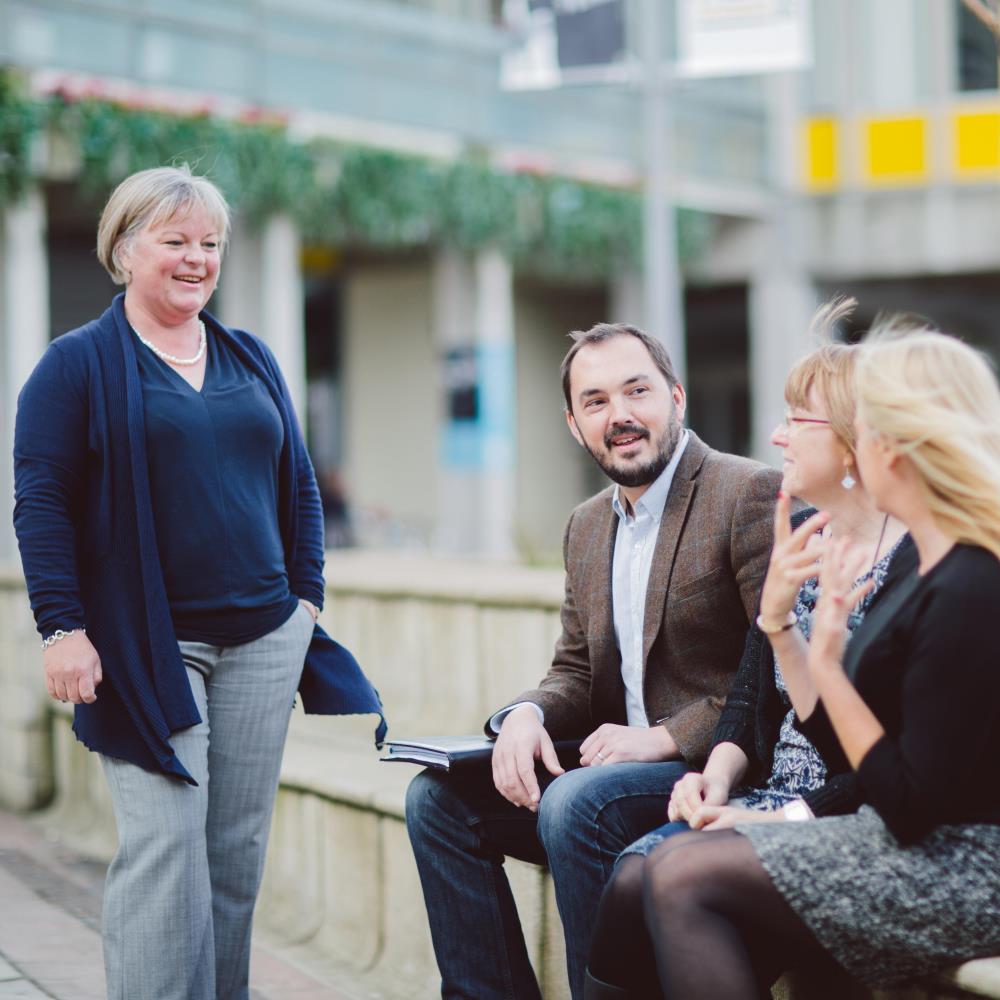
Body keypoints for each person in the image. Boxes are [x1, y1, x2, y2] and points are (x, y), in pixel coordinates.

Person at [12, 165, 384, 1000]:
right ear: (124, 249)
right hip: (146, 645)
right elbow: (41, 502)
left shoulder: (250, 356)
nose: (196, 258)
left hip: (263, 638)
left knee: (233, 854)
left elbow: (298, 484)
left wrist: (305, 601)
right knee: (166, 845)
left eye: (209, 243)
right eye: (175, 240)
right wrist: (62, 627)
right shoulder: (75, 366)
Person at [405, 322, 781, 1000]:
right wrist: (524, 715)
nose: (620, 416)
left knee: (574, 802)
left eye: (637, 392)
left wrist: (666, 737)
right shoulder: (586, 525)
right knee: (438, 799)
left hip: (714, 770)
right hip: (614, 771)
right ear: (575, 425)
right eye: (596, 401)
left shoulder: (746, 494)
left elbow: (776, 671)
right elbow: (576, 669)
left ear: (676, 397)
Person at [635, 325, 1000, 998]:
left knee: (681, 874)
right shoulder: (934, 568)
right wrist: (796, 639)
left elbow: (907, 806)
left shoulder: (972, 583)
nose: (857, 446)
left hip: (971, 866)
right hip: (913, 840)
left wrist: (828, 670)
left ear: (900, 447)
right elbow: (851, 758)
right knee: (667, 866)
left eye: (866, 430)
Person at [583, 309, 916, 998]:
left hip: (841, 813)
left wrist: (770, 819)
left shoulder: (916, 563)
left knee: (658, 878)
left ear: (853, 441)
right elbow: (750, 694)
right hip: (769, 789)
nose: (775, 437)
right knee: (630, 883)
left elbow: (882, 763)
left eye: (796, 421)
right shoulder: (802, 533)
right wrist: (717, 777)